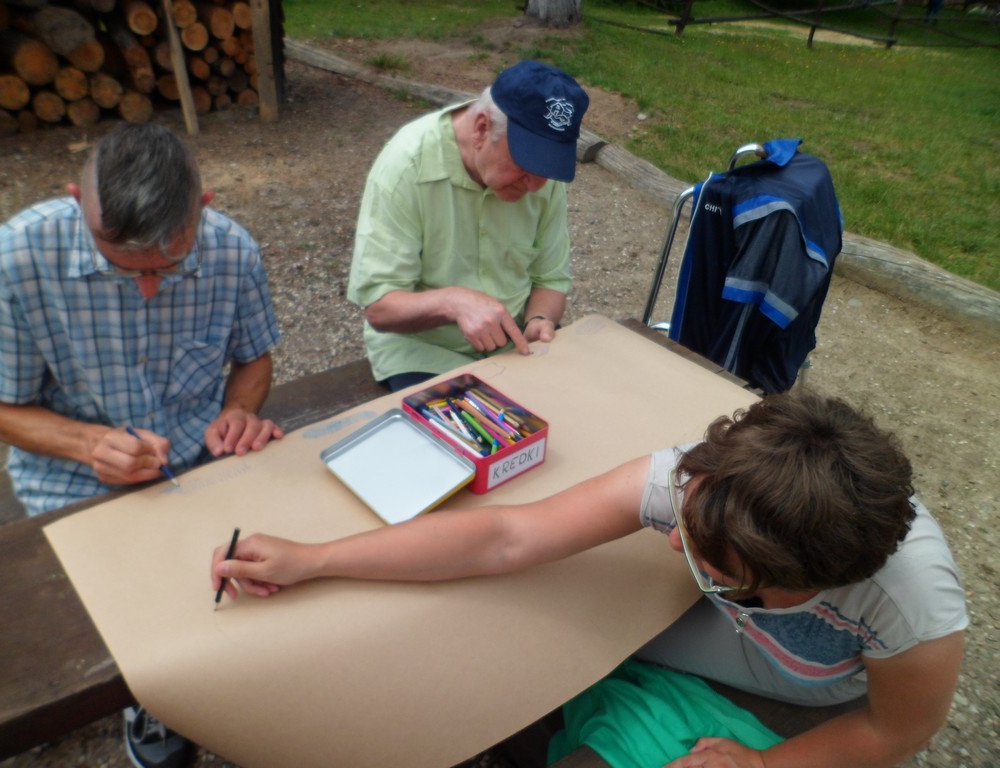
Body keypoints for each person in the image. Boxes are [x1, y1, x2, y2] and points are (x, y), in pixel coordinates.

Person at [211, 392, 967, 768]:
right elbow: (508, 536)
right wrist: (316, 557)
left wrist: (766, 765)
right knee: (518, 618)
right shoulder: (700, 483)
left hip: (803, 688)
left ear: (802, 583)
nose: (671, 540)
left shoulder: (910, 603)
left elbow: (898, 728)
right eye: (683, 523)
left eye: (708, 562)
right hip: (726, 633)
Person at [0, 121, 283, 768]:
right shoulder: (13, 261)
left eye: (170, 265)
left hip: (203, 457)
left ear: (204, 206)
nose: (147, 287)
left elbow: (254, 361)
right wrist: (89, 443)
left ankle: (239, 676)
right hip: (71, 475)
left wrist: (237, 410)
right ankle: (155, 697)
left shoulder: (233, 251)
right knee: (138, 597)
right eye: (118, 264)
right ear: (75, 201)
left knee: (264, 565)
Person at [346, 60, 589, 391]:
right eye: (526, 163)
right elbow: (379, 306)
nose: (535, 185)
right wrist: (453, 303)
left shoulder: (540, 178)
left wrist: (539, 319)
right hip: (427, 353)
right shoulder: (406, 164)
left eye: (546, 167)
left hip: (515, 346)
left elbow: (551, 279)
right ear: (481, 129)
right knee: (470, 427)